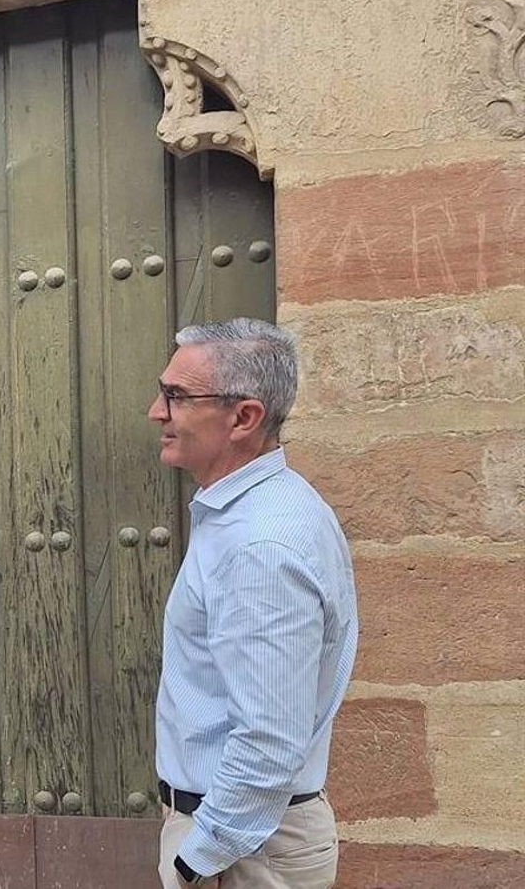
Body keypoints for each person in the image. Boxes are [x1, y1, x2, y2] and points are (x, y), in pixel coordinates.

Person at [148, 319, 358, 888]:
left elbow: (270, 735)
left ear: (244, 418)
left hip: (244, 851)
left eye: (177, 396)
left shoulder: (260, 545)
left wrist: (199, 858)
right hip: (245, 839)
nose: (156, 411)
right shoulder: (259, 511)